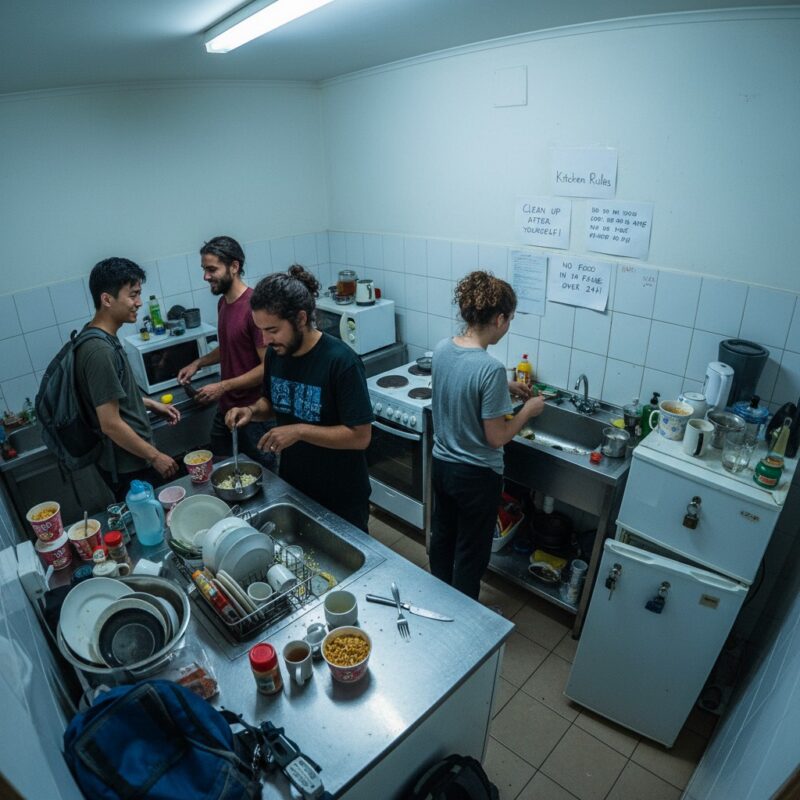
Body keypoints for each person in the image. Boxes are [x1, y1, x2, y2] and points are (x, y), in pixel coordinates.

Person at [225, 265, 374, 531]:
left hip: (341, 495)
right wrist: (251, 411)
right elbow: (273, 402)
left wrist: (300, 431)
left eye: (272, 330)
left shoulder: (341, 362)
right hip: (295, 486)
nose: (265, 339)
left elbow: (360, 437)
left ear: (301, 319)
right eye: (261, 330)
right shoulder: (276, 355)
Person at [429, 271, 545, 600]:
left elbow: (461, 382)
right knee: (471, 552)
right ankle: (465, 618)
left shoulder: (442, 349)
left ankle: (438, 600)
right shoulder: (490, 368)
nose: (508, 327)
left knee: (444, 539)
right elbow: (497, 437)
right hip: (476, 477)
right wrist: (528, 410)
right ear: (498, 318)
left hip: (442, 465)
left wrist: (504, 387)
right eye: (509, 320)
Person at [76, 258, 181, 500]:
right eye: (133, 295)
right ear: (107, 299)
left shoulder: (103, 338)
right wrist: (155, 456)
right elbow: (110, 423)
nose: (139, 303)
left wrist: (152, 404)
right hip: (128, 466)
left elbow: (113, 395)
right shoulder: (99, 352)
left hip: (133, 459)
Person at [177, 236, 275, 470]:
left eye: (212, 269)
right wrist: (199, 363)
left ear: (234, 266)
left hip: (254, 414)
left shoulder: (254, 307)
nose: (206, 276)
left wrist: (222, 387)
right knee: (224, 469)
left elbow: (267, 367)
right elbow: (231, 345)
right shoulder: (224, 303)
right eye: (204, 269)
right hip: (226, 410)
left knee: (265, 475)